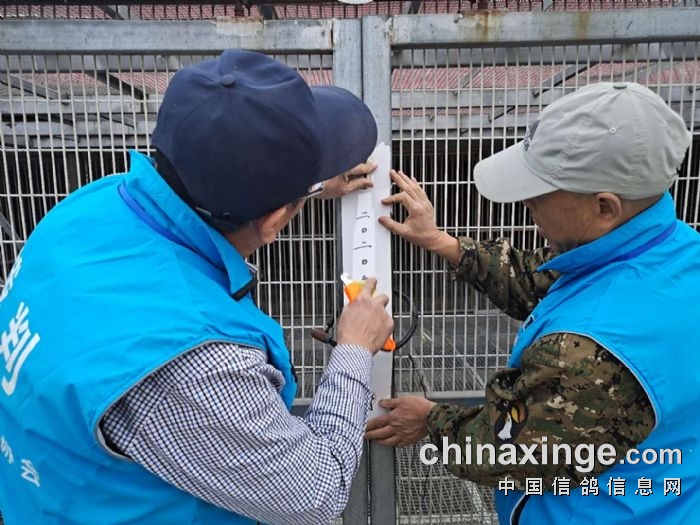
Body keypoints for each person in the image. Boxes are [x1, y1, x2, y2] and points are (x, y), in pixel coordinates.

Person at [0, 50, 394, 525]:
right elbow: (316, 494)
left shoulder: (89, 208)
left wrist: (304, 186)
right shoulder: (193, 364)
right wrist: (354, 348)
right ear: (274, 221)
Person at [366, 82, 699, 524]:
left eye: (541, 191)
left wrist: (432, 420)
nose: (527, 202)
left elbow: (503, 451)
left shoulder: (589, 352)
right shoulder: (672, 252)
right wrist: (441, 241)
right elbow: (544, 280)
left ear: (605, 207)